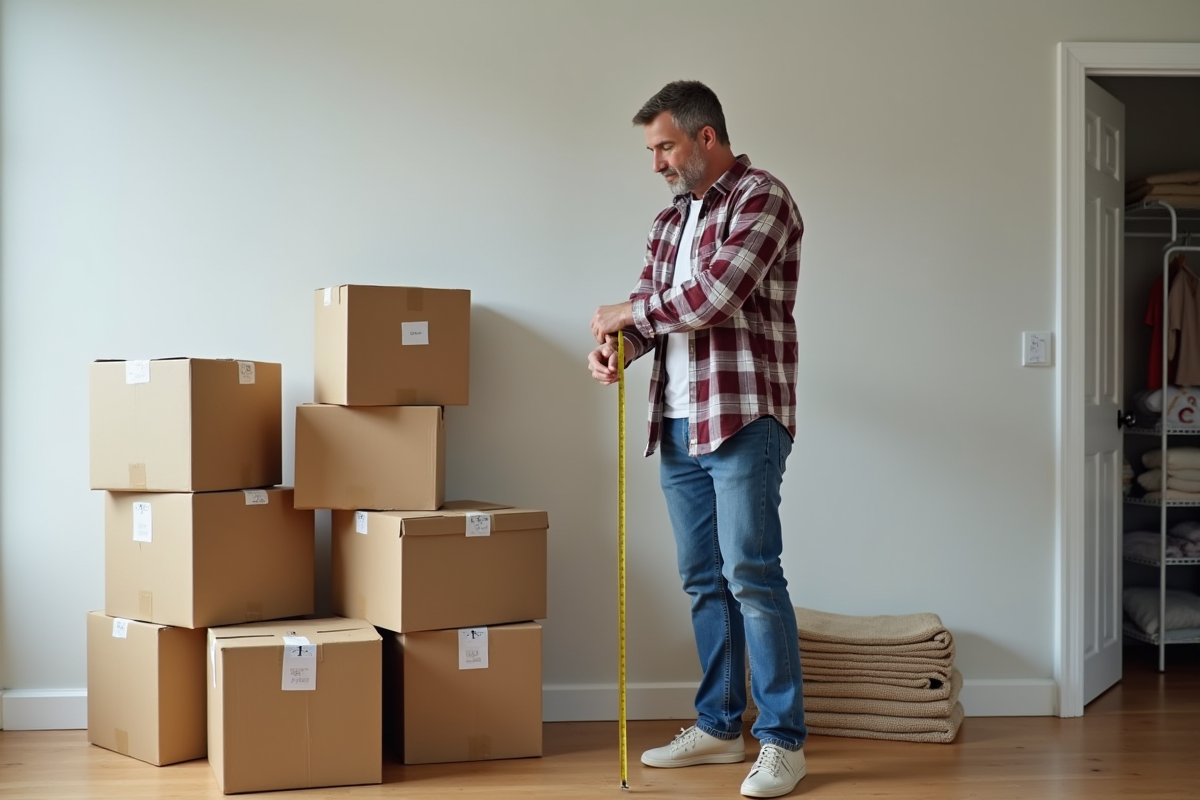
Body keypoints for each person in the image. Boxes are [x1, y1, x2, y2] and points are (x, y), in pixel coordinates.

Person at [588, 80, 806, 799]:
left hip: (743, 418)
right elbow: (655, 321)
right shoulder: (668, 222)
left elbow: (716, 297)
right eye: (651, 150)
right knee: (703, 580)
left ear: (704, 137)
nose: (656, 163)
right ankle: (718, 727)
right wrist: (618, 348)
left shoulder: (762, 199)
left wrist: (627, 308)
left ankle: (782, 742)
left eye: (664, 147)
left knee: (751, 574)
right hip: (677, 423)